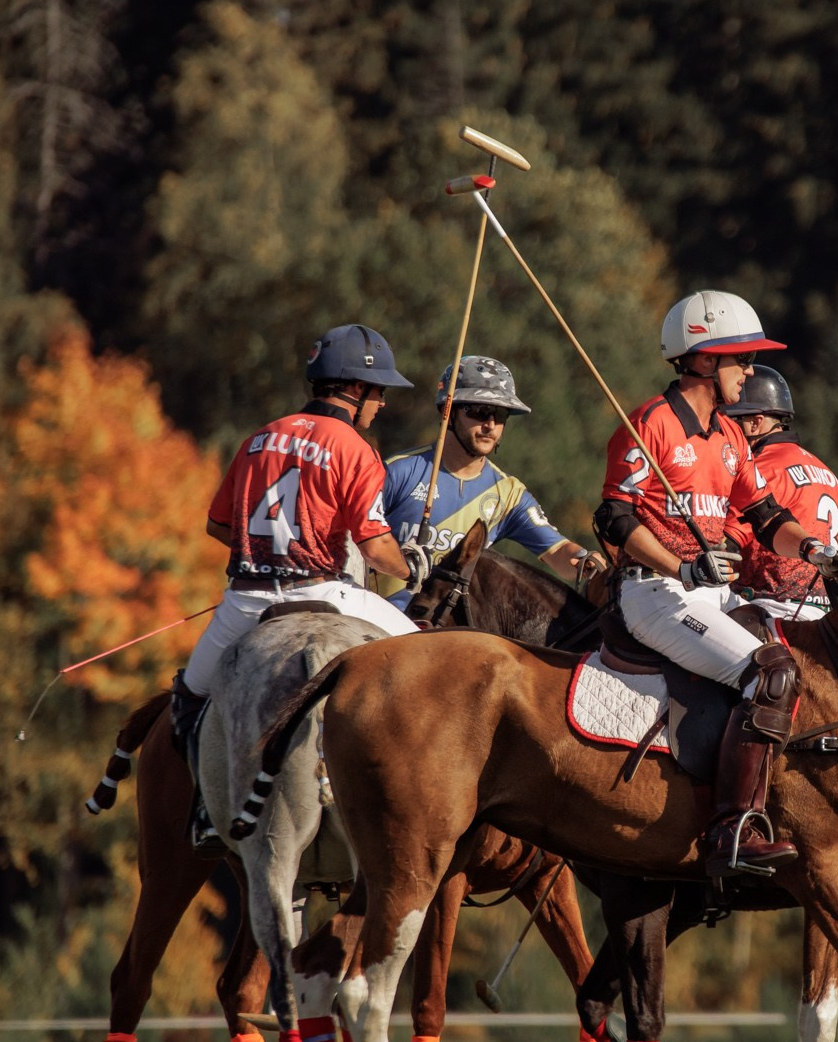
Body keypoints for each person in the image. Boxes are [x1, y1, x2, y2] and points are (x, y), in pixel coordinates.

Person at [594, 292, 838, 878]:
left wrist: (807, 546)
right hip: (653, 594)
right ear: (703, 360)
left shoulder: (729, 438)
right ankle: (733, 826)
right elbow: (613, 517)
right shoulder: (649, 424)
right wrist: (680, 568)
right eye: (743, 359)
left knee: (805, 664)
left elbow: (764, 515)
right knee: (769, 672)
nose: (750, 372)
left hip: (713, 594)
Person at [175, 324, 424, 847]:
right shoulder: (355, 449)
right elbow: (376, 547)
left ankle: (205, 807)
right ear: (356, 389)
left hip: (247, 601)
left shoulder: (258, 438)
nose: (382, 404)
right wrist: (413, 567)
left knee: (192, 697)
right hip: (325, 592)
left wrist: (262, 547)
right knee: (428, 661)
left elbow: (218, 525)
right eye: (380, 393)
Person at [378, 355, 607, 609]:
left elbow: (558, 552)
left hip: (450, 631)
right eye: (479, 412)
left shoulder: (508, 494)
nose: (490, 425)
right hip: (384, 621)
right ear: (448, 412)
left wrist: (583, 559)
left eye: (500, 415)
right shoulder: (397, 471)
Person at [722, 365, 838, 622]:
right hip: (823, 612)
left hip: (768, 608)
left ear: (756, 422)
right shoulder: (827, 472)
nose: (723, 432)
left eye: (731, 422)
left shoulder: (762, 468)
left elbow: (722, 542)